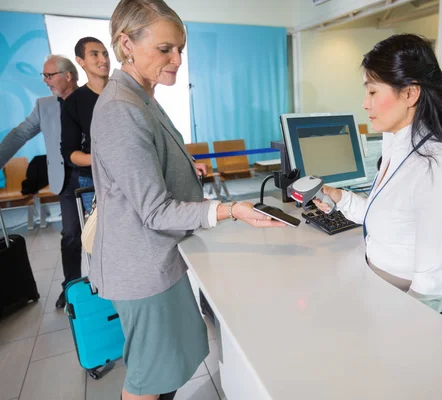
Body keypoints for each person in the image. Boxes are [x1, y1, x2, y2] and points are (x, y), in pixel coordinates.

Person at [90, 1, 284, 399]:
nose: (178, 59)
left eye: (180, 48)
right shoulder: (119, 109)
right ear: (126, 43)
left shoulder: (143, 95)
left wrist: (180, 164)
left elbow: (149, 159)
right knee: (148, 379)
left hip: (161, 257)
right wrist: (231, 209)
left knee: (168, 370)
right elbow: (155, 209)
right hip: (141, 268)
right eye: (165, 49)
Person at [314, 34, 442, 313]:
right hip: (373, 281)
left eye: (373, 91)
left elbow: (428, 288)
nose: (365, 103)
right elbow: (388, 217)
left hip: (400, 300)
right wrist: (340, 197)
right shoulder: (395, 144)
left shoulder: (436, 168)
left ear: (410, 93)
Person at [0, 55, 83, 309]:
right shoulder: (44, 105)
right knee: (70, 235)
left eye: (49, 75)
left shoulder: (92, 98)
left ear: (67, 76)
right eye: (44, 75)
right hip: (66, 181)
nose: (45, 81)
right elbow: (20, 133)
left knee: (103, 235)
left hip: (96, 178)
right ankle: (71, 288)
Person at [61, 37, 111, 214]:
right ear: (80, 61)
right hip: (92, 179)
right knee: (99, 236)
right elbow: (70, 152)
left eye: (105, 53)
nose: (103, 59)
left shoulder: (125, 92)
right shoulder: (74, 102)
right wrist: (100, 159)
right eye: (95, 54)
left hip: (129, 174)